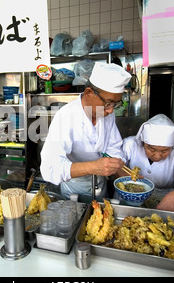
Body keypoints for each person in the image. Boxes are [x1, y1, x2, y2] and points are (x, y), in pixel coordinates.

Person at [40, 62, 131, 199]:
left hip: (101, 186)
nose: (111, 110)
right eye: (107, 103)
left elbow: (113, 147)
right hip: (73, 191)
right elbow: (50, 168)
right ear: (88, 93)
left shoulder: (107, 114)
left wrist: (117, 167)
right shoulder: (66, 116)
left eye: (115, 103)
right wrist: (93, 167)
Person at [119, 114, 174, 211]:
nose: (157, 156)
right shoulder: (130, 144)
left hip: (163, 201)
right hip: (126, 198)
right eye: (152, 149)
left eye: (164, 151)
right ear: (143, 142)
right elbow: (116, 165)